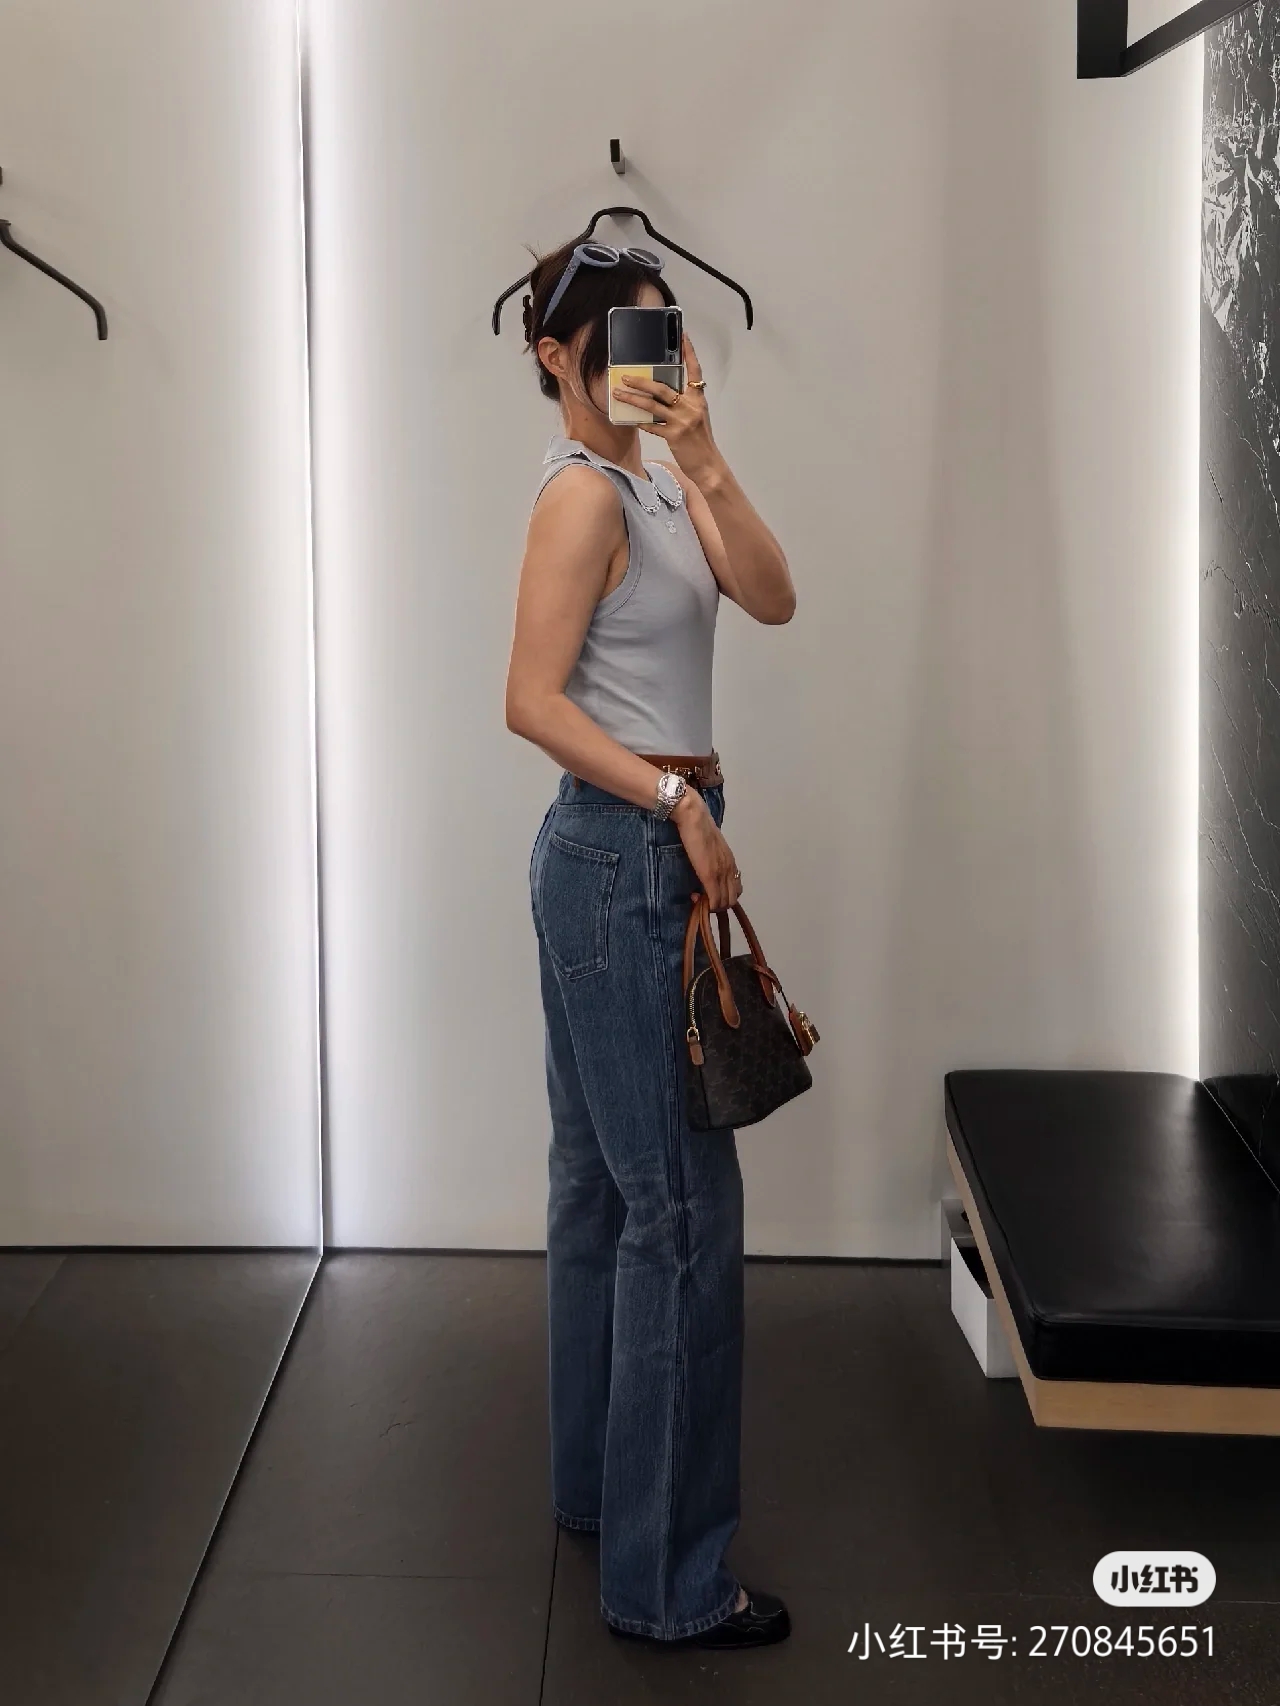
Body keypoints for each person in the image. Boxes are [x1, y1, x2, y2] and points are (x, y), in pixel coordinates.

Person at [504, 235, 796, 1649]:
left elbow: (776, 595)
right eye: (626, 337)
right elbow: (531, 698)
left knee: (600, 1197)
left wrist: (708, 453)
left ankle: (595, 1492)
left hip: (621, 857)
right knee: (676, 1214)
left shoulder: (665, 479)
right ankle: (668, 1585)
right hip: (625, 855)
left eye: (663, 333)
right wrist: (676, 802)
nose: (652, 358)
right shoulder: (579, 494)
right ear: (559, 357)